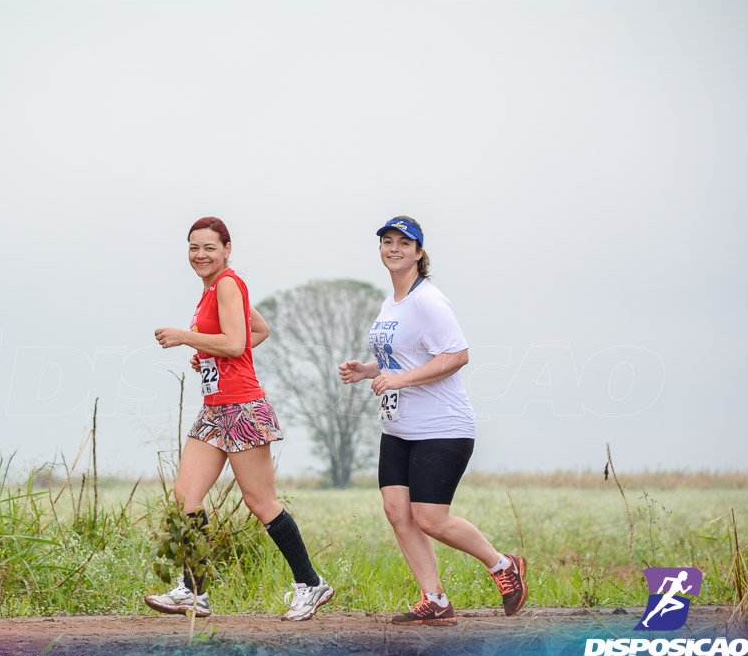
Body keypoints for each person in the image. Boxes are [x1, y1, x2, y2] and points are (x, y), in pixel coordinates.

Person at [338, 216, 528, 626]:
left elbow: (456, 355)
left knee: (430, 518)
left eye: (403, 243)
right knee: (397, 511)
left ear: (419, 252)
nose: (393, 248)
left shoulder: (428, 300)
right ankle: (435, 600)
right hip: (399, 428)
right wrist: (370, 370)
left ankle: (503, 566)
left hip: (442, 428)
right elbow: (407, 356)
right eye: (387, 242)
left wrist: (400, 379)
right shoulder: (392, 303)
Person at [146, 216, 334, 621]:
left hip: (242, 407)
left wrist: (187, 337)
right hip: (215, 409)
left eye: (210, 247)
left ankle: (311, 583)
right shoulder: (211, 290)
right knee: (185, 499)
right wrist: (207, 354)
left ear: (227, 250)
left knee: (260, 501)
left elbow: (236, 342)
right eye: (194, 247)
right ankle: (194, 591)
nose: (201, 255)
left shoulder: (228, 283)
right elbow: (258, 331)